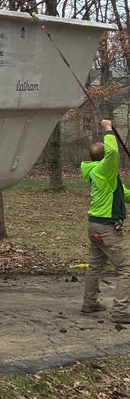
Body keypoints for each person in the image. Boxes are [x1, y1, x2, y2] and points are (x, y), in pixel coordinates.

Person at [80, 119, 130, 328]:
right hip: (107, 227)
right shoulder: (103, 170)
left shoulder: (103, 175)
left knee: (95, 266)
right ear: (104, 159)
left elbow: (123, 194)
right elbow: (113, 152)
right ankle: (120, 312)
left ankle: (89, 303)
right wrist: (109, 130)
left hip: (95, 226)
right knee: (126, 269)